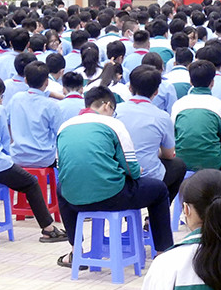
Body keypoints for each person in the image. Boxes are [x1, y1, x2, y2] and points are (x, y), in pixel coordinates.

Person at [56, 86, 174, 268]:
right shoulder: (113, 124)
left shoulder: (65, 126)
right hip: (111, 197)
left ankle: (75, 250)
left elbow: (61, 166)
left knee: (61, 187)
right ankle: (162, 252)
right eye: (113, 110)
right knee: (159, 190)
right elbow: (131, 168)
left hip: (75, 201)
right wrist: (136, 171)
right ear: (107, 105)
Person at [0, 73, 68, 242]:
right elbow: (5, 141)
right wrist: (9, 161)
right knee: (31, 183)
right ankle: (48, 228)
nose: (2, 100)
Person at [170, 60, 221, 189]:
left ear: (190, 82)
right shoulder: (220, 106)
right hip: (213, 161)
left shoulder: (178, 105)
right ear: (212, 83)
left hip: (183, 160)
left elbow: (172, 137)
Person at [116, 66, 186, 200]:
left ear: (130, 88)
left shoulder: (115, 111)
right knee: (178, 165)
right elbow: (169, 154)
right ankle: (158, 211)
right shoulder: (162, 117)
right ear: (156, 91)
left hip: (118, 176)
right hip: (148, 179)